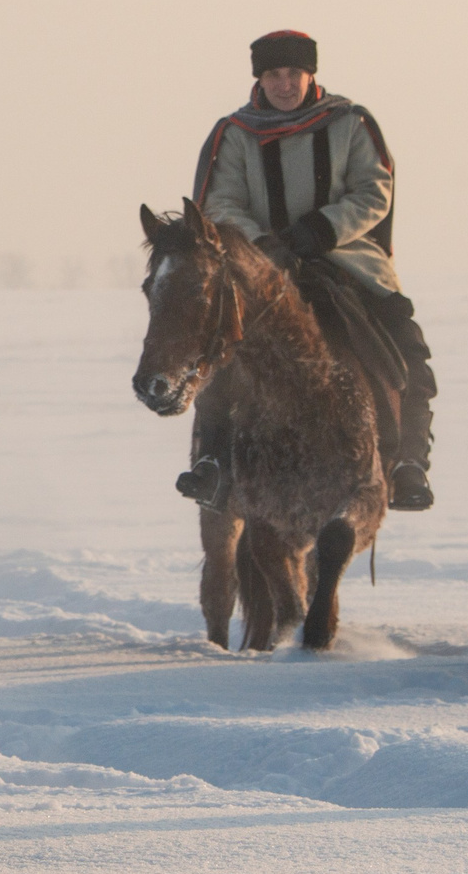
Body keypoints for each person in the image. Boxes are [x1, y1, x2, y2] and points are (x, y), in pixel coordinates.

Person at [185, 29, 437, 512]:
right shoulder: (235, 134)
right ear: (260, 79)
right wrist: (262, 246)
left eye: (293, 74)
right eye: (274, 75)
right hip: (261, 267)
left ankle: (408, 462)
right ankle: (213, 460)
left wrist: (321, 230)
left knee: (407, 351)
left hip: (346, 260)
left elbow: (374, 191)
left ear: (310, 75)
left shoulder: (349, 123)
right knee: (216, 350)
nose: (285, 85)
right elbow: (220, 202)